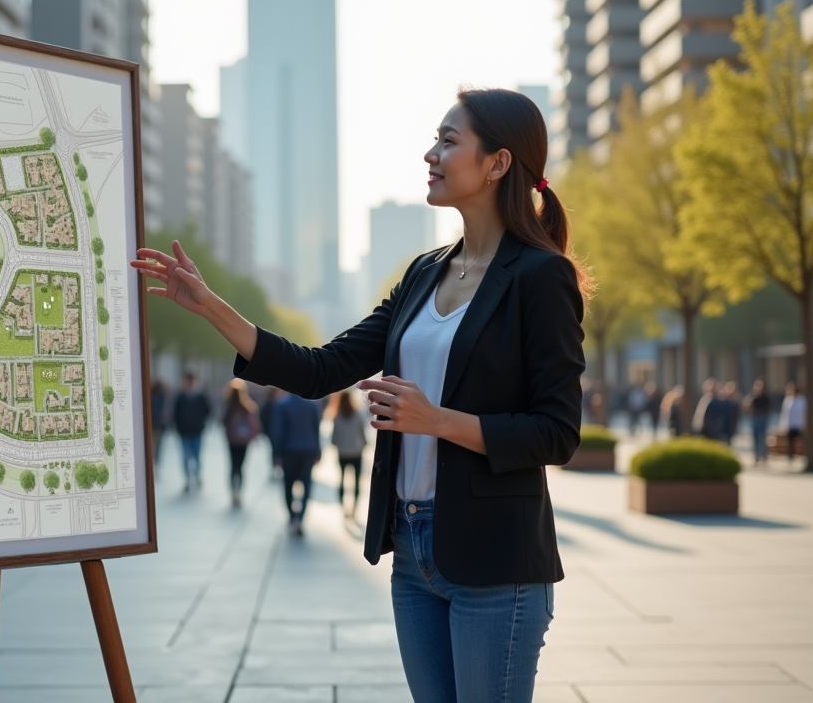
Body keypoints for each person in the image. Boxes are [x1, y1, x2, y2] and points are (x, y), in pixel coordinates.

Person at [133, 88, 587, 702]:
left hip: (497, 563)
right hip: (414, 552)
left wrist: (437, 420)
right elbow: (324, 368)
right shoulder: (424, 273)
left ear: (498, 163)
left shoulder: (540, 276)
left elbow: (556, 432)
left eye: (450, 141)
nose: (432, 153)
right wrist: (211, 307)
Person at [270, 391, 322, 536]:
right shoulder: (312, 404)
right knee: (306, 485)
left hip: (289, 451)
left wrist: (276, 454)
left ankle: (292, 516)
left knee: (288, 485)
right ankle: (300, 518)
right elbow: (316, 429)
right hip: (308, 450)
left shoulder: (281, 404)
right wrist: (318, 450)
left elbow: (278, 432)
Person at [330, 389, 369, 519]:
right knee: (357, 482)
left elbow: (334, 438)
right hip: (356, 452)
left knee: (342, 480)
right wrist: (364, 444)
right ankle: (354, 510)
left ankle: (343, 508)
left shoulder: (337, 415)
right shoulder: (357, 414)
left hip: (342, 452)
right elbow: (362, 434)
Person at [222, 379, 261, 508]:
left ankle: (234, 491)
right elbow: (254, 424)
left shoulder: (228, 407)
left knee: (233, 465)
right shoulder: (248, 406)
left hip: (232, 440)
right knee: (241, 466)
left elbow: (222, 422)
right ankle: (239, 492)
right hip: (244, 441)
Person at [172, 372, 210, 492]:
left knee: (196, 456)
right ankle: (188, 479)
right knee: (185, 457)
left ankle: (197, 476)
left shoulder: (200, 396)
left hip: (196, 431)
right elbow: (175, 414)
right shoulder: (180, 397)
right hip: (184, 432)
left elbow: (207, 411)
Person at [745, 380, 772, 465]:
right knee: (755, 438)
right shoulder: (753, 396)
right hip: (755, 418)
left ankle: (763, 456)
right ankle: (757, 457)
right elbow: (747, 405)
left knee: (762, 438)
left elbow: (769, 407)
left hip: (762, 418)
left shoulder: (765, 397)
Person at [149, 378, 170, 473]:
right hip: (157, 427)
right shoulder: (163, 397)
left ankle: (154, 466)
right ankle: (155, 466)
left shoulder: (152, 396)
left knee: (154, 448)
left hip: (155, 426)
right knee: (157, 448)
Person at [781, 382, 805, 462]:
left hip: (800, 425)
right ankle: (790, 457)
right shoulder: (788, 400)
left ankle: (803, 456)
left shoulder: (802, 400)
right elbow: (785, 414)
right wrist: (783, 425)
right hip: (790, 425)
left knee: (802, 442)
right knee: (790, 442)